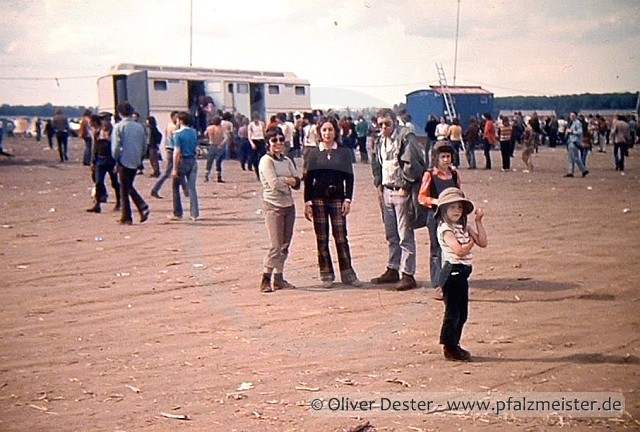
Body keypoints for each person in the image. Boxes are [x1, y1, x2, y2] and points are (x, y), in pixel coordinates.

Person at [371, 108, 427, 291]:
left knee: (405, 235)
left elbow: (413, 163)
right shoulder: (380, 141)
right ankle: (393, 268)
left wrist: (405, 185)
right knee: (391, 234)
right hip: (386, 191)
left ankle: (408, 273)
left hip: (401, 192)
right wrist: (378, 185)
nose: (384, 127)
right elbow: (377, 164)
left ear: (395, 122)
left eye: (387, 123)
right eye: (380, 124)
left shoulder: (405, 137)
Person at [304, 116, 360, 288]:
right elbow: (308, 179)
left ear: (336, 132)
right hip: (318, 198)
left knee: (341, 236)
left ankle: (347, 273)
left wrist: (348, 199)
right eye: (324, 130)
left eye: (330, 130)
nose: (327, 133)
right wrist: (307, 202)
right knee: (322, 237)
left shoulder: (343, 152)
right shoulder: (313, 153)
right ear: (320, 133)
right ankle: (326, 273)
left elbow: (349, 178)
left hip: (337, 198)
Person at [435, 187, 487, 361]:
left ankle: (454, 344)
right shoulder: (445, 229)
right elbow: (459, 251)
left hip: (462, 274)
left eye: (459, 207)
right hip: (452, 273)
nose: (456, 211)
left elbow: (483, 242)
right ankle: (449, 347)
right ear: (443, 210)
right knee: (453, 312)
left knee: (462, 313)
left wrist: (478, 222)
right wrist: (471, 241)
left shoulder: (463, 226)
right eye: (452, 208)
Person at [258, 127, 301, 292]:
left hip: (288, 207)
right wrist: (287, 182)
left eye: (281, 140)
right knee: (275, 245)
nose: (278, 143)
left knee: (284, 245)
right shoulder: (266, 161)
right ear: (268, 143)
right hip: (273, 206)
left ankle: (279, 278)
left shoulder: (287, 161)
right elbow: (273, 184)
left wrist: (286, 180)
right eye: (274, 140)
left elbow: (297, 182)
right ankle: (265, 278)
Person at [418, 141, 461, 299]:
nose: (446, 160)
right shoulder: (429, 175)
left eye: (448, 156)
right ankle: (438, 283)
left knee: (452, 249)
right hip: (435, 215)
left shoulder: (454, 174)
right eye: (443, 156)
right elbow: (422, 197)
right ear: (436, 158)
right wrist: (437, 202)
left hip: (452, 216)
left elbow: (458, 192)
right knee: (436, 250)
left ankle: (452, 280)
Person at [112, 101, 150, 225]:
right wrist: (140, 157)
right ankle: (140, 208)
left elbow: (116, 147)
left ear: (119, 113)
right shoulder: (139, 126)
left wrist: (116, 159)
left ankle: (128, 216)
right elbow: (145, 145)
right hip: (136, 159)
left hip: (124, 160)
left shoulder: (118, 127)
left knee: (124, 187)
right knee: (127, 185)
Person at [87, 114, 121, 213]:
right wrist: (93, 161)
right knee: (98, 182)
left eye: (107, 120)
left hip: (111, 159)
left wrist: (117, 161)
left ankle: (119, 202)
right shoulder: (98, 132)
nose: (105, 123)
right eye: (104, 120)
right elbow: (95, 147)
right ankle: (97, 204)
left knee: (115, 182)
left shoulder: (114, 131)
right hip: (100, 160)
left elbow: (117, 146)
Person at [169, 112, 199, 221]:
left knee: (175, 187)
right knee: (192, 188)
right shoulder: (193, 132)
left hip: (182, 160)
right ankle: (194, 214)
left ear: (180, 121)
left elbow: (176, 152)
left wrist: (175, 169)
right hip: (193, 160)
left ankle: (178, 213)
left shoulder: (177, 134)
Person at [151, 111, 188, 199]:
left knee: (180, 172)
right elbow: (176, 139)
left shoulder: (169, 125)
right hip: (173, 150)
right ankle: (155, 189)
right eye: (177, 117)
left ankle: (186, 192)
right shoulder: (173, 127)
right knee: (168, 172)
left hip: (170, 149)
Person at [564, 112, 589, 178]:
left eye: (573, 116)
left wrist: (571, 132)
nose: (572, 117)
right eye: (571, 116)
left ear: (576, 116)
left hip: (574, 142)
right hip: (571, 141)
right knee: (571, 158)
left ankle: (584, 170)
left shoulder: (577, 123)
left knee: (575, 158)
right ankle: (571, 172)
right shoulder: (572, 123)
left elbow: (580, 132)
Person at [204, 116, 226, 183]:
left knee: (209, 162)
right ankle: (219, 177)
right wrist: (221, 144)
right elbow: (226, 138)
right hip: (219, 145)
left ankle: (206, 176)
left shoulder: (209, 128)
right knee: (218, 162)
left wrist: (209, 139)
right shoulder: (221, 129)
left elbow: (205, 134)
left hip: (212, 145)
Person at [248, 113, 267, 181]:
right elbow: (249, 135)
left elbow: (264, 133)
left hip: (261, 140)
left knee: (262, 157)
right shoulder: (251, 125)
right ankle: (258, 174)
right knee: (255, 159)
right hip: (254, 140)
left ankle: (263, 173)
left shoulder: (262, 124)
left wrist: (265, 141)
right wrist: (252, 143)